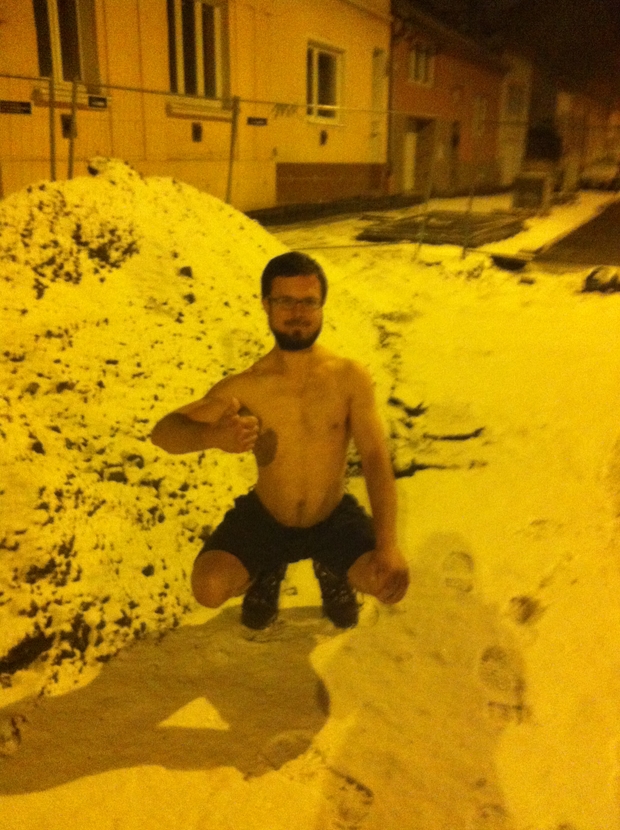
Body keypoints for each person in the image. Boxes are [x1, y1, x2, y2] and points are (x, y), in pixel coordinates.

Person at [151, 251, 409, 629]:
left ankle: (333, 569)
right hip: (267, 517)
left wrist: (387, 545)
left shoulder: (348, 378)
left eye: (308, 301)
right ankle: (264, 569)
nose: (297, 312)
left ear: (321, 306)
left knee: (388, 582)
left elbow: (374, 458)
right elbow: (164, 433)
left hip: (332, 517)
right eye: (285, 300)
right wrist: (211, 435)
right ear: (266, 304)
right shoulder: (247, 387)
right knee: (208, 587)